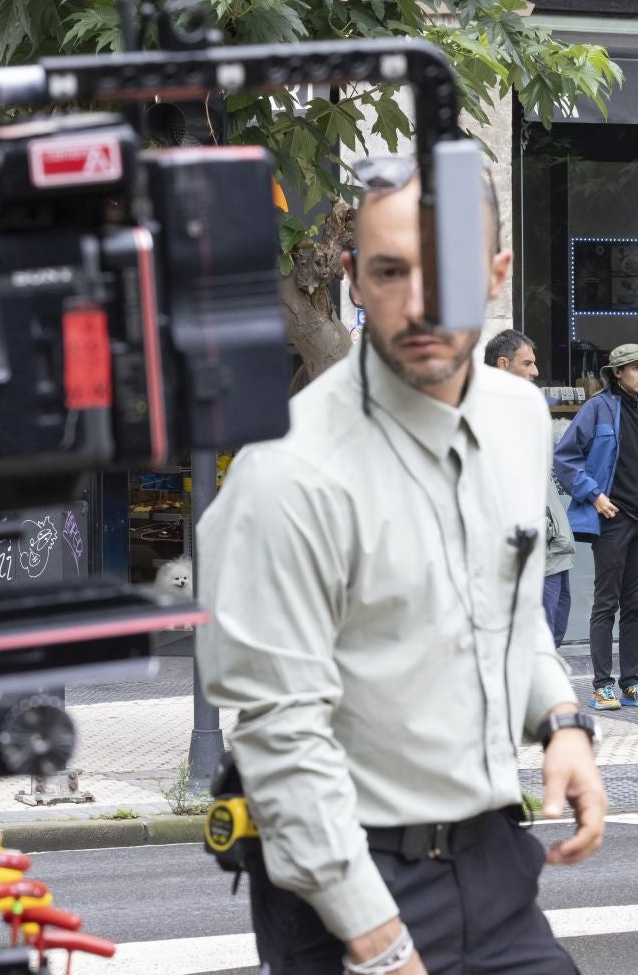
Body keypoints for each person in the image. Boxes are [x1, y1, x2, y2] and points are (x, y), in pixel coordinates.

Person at [199, 167, 602, 975]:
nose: (419, 302)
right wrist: (378, 943)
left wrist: (562, 720)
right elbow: (279, 738)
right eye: (389, 271)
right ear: (351, 278)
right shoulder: (287, 468)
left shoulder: (520, 416)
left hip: (493, 859)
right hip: (342, 876)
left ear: (496, 271)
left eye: (449, 271)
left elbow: (513, 616)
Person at [555, 342, 638, 712]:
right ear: (617, 373)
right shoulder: (597, 409)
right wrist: (594, 496)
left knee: (634, 605)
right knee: (606, 602)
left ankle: (631, 683)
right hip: (612, 520)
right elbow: (565, 458)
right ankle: (602, 685)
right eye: (635, 367)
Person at [486, 329, 577, 644]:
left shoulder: (525, 413)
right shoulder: (487, 418)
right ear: (503, 364)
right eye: (527, 363)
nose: (536, 372)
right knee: (537, 644)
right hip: (530, 553)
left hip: (554, 549)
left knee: (553, 636)